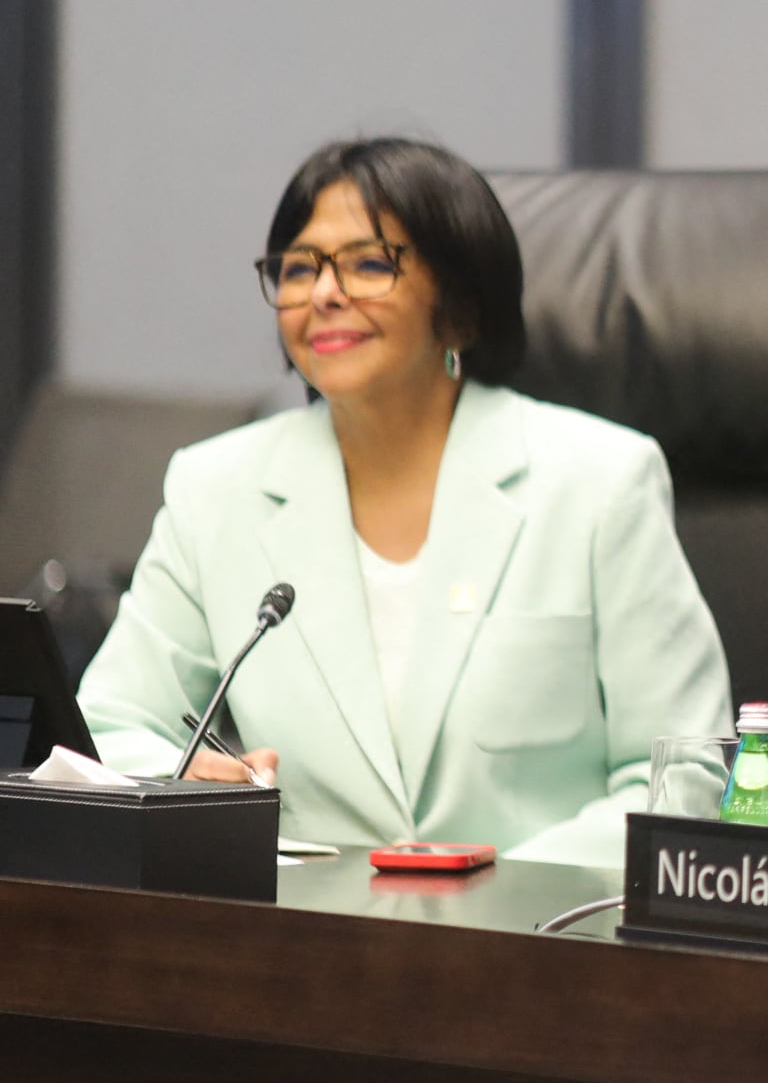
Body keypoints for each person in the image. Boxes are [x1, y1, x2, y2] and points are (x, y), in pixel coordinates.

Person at [80, 138, 731, 866]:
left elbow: (682, 779)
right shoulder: (216, 488)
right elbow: (111, 720)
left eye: (367, 263)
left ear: (457, 306)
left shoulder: (600, 480)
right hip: (298, 937)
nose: (324, 293)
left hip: (542, 941)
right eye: (298, 268)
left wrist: (497, 887)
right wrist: (179, 779)